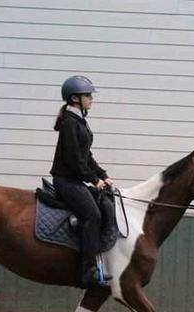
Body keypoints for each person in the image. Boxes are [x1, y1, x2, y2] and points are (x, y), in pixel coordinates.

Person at [50, 75, 114, 287]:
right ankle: (87, 271)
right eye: (88, 96)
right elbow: (75, 160)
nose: (91, 99)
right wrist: (94, 180)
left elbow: (86, 155)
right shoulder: (70, 123)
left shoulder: (78, 121)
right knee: (93, 215)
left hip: (76, 179)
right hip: (66, 181)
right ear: (75, 98)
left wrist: (103, 175)